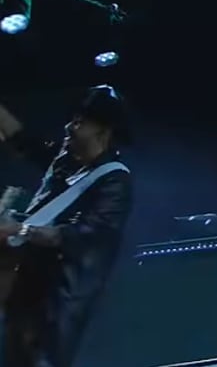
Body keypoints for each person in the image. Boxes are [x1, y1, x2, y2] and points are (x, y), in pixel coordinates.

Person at [0, 85, 134, 367]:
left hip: (58, 300)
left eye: (79, 122)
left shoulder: (114, 181)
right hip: (26, 291)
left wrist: (23, 231)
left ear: (103, 131)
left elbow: (87, 235)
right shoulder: (65, 164)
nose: (69, 127)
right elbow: (25, 142)